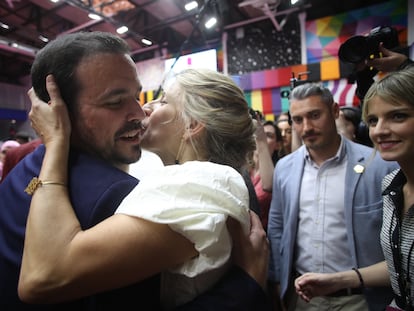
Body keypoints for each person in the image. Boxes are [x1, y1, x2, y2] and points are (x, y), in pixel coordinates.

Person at [0, 31, 269, 311]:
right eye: (115, 102)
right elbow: (43, 277)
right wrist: (245, 286)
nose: (141, 112)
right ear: (60, 111)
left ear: (193, 125)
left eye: (150, 99)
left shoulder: (24, 170)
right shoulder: (114, 193)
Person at [267, 82, 399, 311]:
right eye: (297, 120)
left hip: (362, 299)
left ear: (335, 111)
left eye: (314, 115)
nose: (306, 126)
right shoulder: (285, 168)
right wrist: (280, 283)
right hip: (303, 298)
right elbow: (277, 228)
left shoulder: (378, 164)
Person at [294, 67, 414, 310]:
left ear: (334, 112)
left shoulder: (378, 167)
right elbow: (400, 265)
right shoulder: (392, 187)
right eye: (373, 120)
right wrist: (336, 281)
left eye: (398, 116)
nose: (380, 129)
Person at [249, 120, 282, 229]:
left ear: (278, 145)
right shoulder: (244, 168)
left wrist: (261, 139)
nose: (260, 137)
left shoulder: (280, 171)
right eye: (257, 133)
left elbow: (269, 186)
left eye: (268, 135)